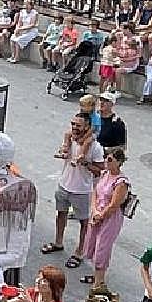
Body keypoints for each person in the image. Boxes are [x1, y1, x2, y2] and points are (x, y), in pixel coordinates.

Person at [42, 114, 103, 268]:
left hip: (82, 190)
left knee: (84, 222)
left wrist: (85, 163)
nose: (75, 127)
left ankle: (80, 252)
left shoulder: (95, 147)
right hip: (64, 184)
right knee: (61, 214)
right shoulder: (70, 140)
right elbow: (64, 152)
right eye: (73, 124)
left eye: (78, 125)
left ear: (87, 127)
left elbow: (100, 170)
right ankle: (58, 242)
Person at [80, 148, 129, 286]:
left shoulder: (121, 182)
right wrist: (94, 210)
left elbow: (114, 204)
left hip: (110, 218)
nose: (106, 161)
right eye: (106, 157)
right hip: (97, 213)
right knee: (92, 243)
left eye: (110, 159)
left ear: (119, 162)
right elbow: (95, 192)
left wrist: (100, 216)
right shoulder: (104, 174)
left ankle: (99, 282)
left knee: (102, 247)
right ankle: (95, 276)